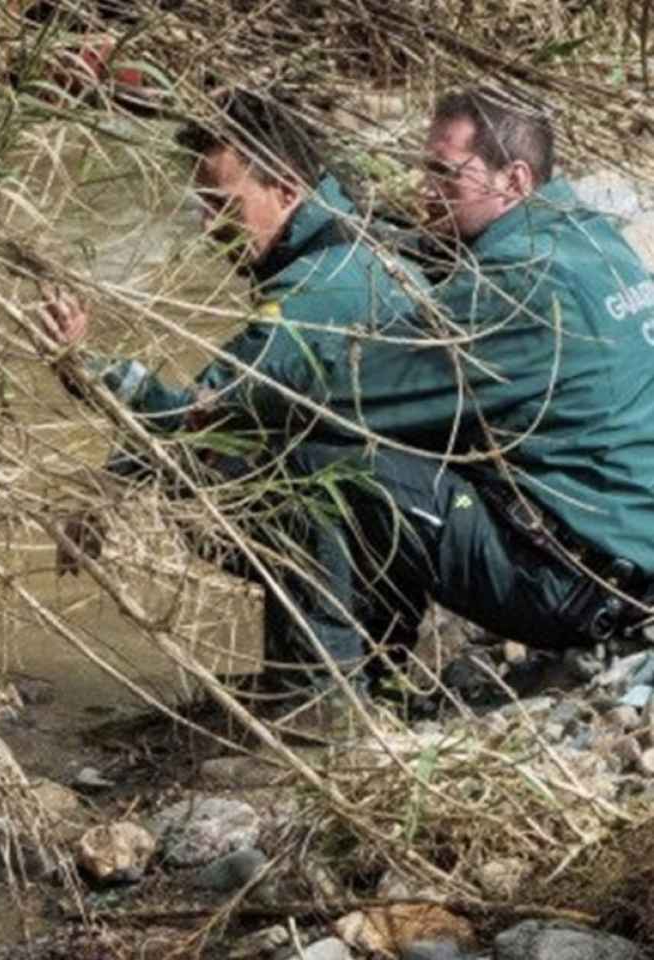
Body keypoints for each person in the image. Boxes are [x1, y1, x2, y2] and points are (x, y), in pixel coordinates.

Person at [214, 86, 654, 669]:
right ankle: (382, 669)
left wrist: (228, 392)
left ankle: (318, 702)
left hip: (575, 588)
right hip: (628, 558)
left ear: (515, 180)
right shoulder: (594, 241)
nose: (425, 193)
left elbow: (352, 389)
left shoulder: (521, 285)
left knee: (320, 458)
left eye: (445, 176)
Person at [40, 88, 431, 689]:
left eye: (223, 204)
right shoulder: (350, 236)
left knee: (220, 482)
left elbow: (193, 415)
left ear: (285, 190)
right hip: (420, 501)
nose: (208, 225)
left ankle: (316, 691)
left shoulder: (312, 299)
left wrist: (81, 364)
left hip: (416, 515)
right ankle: (362, 659)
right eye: (201, 204)